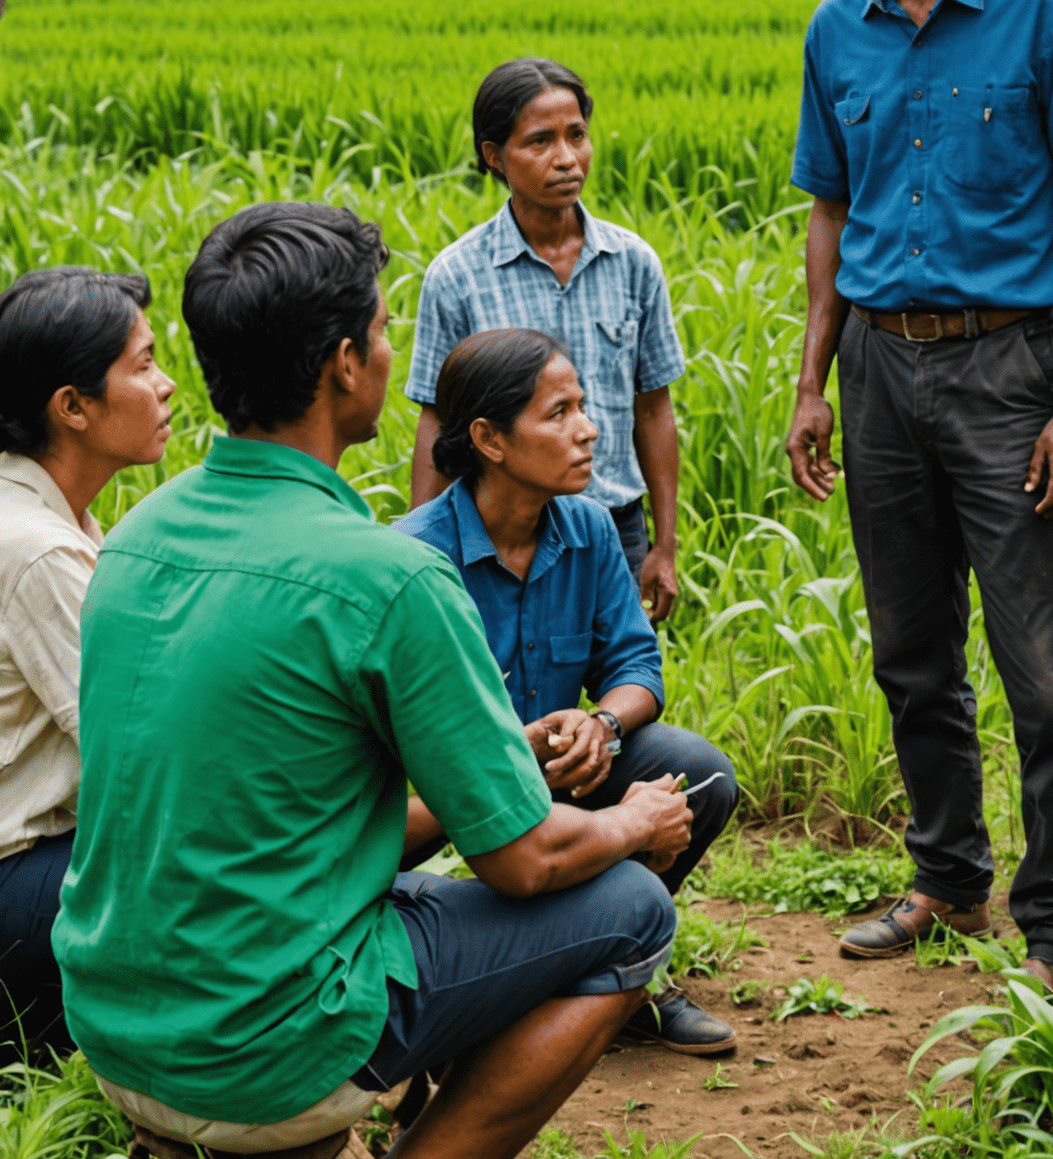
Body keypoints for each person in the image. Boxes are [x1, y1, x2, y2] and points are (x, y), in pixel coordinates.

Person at [55, 202, 690, 1159]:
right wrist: (633, 824)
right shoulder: (389, 576)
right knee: (635, 909)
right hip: (268, 1049)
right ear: (345, 364)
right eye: (386, 330)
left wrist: (498, 760)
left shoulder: (135, 538)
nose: (396, 355)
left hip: (119, 1029)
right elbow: (526, 863)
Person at [760, 0, 1053, 989]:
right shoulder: (835, 26)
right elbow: (829, 209)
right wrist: (814, 381)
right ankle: (946, 879)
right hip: (878, 367)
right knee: (910, 650)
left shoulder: (1046, 9)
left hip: (1009, 369)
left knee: (1042, 668)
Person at [396, 327, 739, 1056]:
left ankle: (613, 966)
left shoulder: (587, 528)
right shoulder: (414, 558)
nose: (589, 430)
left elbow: (638, 667)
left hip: (551, 778)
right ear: (488, 439)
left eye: (583, 406)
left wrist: (605, 727)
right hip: (427, 800)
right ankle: (484, 973)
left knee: (694, 773)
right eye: (559, 413)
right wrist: (499, 761)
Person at [407, 59, 686, 623]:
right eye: (540, 141)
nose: (566, 158)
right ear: (494, 156)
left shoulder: (633, 263)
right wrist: (420, 552)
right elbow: (436, 420)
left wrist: (665, 543)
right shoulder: (458, 275)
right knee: (498, 688)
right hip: (495, 532)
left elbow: (653, 410)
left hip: (614, 525)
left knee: (624, 683)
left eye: (576, 135)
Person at [0, 267, 174, 1058]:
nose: (166, 385)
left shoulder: (50, 516)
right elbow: (140, 752)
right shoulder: (39, 552)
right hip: (19, 874)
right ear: (71, 407)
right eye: (141, 365)